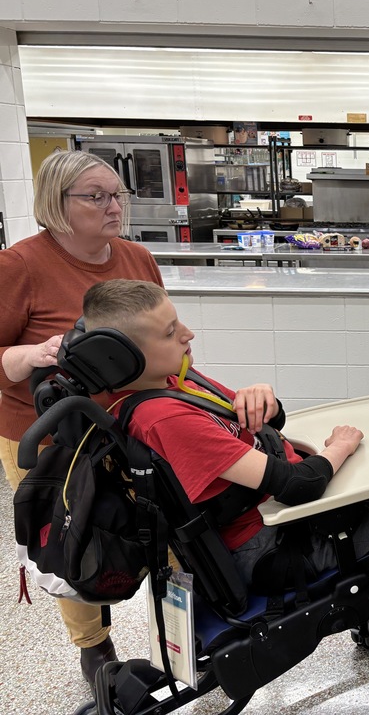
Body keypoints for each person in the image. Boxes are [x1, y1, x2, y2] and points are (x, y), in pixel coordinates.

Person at [81, 279, 369, 628]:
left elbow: (264, 425)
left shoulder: (175, 381)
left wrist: (264, 401)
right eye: (169, 332)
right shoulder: (164, 419)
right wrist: (339, 446)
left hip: (274, 514)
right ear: (123, 358)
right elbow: (298, 486)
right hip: (266, 546)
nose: (188, 334)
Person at [0, 150, 163, 685]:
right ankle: (94, 647)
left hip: (125, 424)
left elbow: (162, 336)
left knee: (157, 523)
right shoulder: (20, 265)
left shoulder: (137, 259)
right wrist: (30, 355)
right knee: (71, 537)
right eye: (97, 197)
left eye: (118, 194)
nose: (114, 206)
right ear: (57, 204)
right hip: (50, 435)